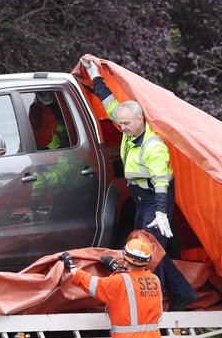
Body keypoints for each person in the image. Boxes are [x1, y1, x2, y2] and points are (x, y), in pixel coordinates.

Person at [80, 55, 198, 313]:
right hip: (140, 200)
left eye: (126, 124)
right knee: (150, 249)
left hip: (154, 199)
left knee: (148, 252)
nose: (121, 128)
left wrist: (160, 212)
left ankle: (159, 304)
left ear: (140, 120)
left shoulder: (152, 145)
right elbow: (109, 101)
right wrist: (94, 73)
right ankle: (183, 293)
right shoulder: (128, 126)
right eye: (120, 123)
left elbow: (161, 180)